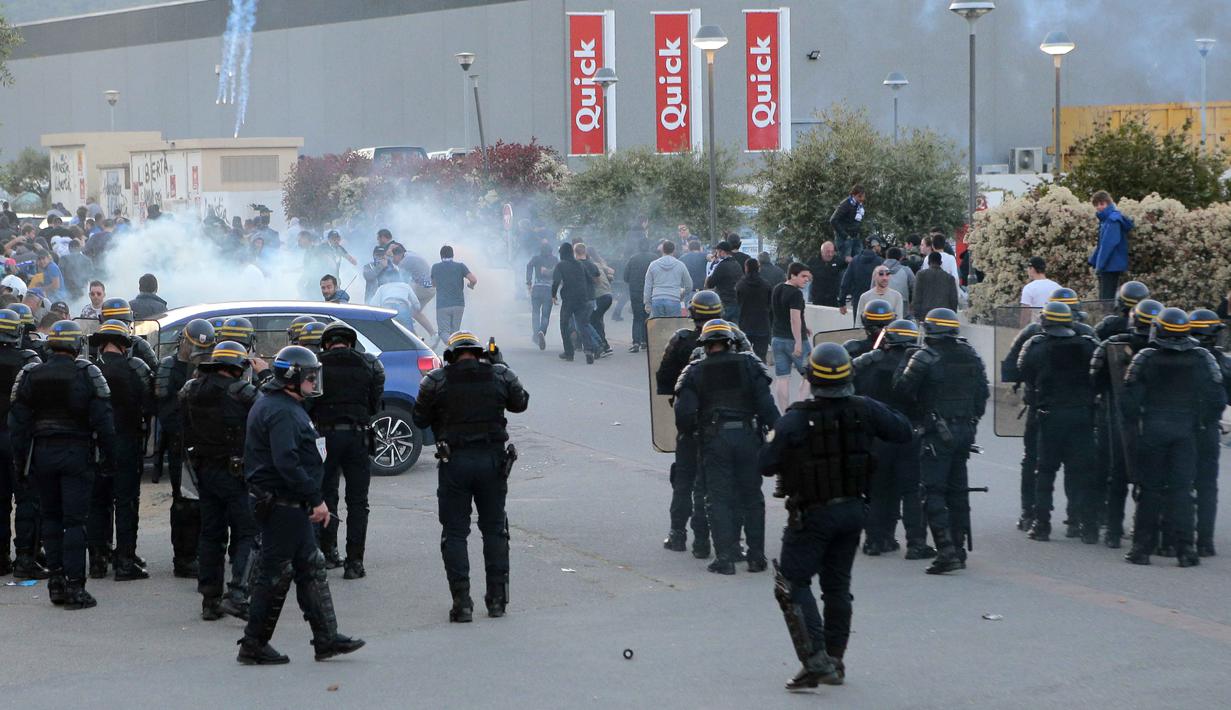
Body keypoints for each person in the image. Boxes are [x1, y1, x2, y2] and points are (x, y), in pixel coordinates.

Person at [762, 342, 912, 690]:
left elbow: (765, 463)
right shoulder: (865, 409)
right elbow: (902, 430)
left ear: (812, 377)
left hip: (811, 515)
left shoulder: (797, 418)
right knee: (837, 587)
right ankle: (836, 659)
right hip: (853, 511)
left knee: (792, 584)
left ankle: (816, 660)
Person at [239, 345, 364, 665]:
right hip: (283, 504)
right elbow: (287, 462)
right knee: (274, 575)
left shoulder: (281, 404)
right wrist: (316, 499)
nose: (314, 383)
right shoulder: (281, 410)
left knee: (310, 566)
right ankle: (253, 644)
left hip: (287, 502)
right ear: (292, 378)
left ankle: (326, 638)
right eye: (309, 378)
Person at [413, 332, 529, 622]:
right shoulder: (499, 375)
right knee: (494, 530)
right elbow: (520, 403)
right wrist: (500, 364)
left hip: (455, 462)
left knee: (454, 533)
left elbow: (419, 418)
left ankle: (462, 603)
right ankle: (497, 601)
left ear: (451, 355)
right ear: (480, 354)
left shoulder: (437, 380)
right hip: (492, 462)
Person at [9, 320, 116, 610]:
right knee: (74, 522)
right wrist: (109, 458)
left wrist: (20, 464)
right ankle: (75, 587)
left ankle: (56, 582)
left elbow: (18, 424)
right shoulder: (88, 373)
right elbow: (104, 421)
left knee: (52, 519)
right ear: (76, 345)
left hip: (42, 454)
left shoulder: (32, 374)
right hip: (76, 454)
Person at [674, 320, 780, 574]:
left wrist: (693, 434)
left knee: (718, 498)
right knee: (752, 497)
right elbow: (767, 407)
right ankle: (756, 557)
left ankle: (725, 558)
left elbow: (684, 414)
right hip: (747, 438)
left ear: (706, 346)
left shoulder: (695, 371)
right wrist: (776, 439)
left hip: (715, 440)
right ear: (731, 343)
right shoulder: (750, 365)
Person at [1122, 308, 1225, 567]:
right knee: (1182, 491)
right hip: (1186, 431)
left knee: (1150, 490)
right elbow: (1217, 399)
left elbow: (1129, 400)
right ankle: (1186, 550)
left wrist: (1139, 422)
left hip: (1154, 430)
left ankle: (1142, 549)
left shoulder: (1146, 357)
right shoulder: (1202, 357)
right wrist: (1200, 422)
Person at [893, 308, 989, 575]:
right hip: (964, 430)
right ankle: (958, 549)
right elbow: (982, 395)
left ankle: (946, 551)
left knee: (933, 490)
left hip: (937, 431)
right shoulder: (970, 355)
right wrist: (969, 421)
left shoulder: (924, 356)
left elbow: (901, 389)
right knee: (958, 490)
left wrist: (907, 360)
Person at [1000, 287, 1096, 533]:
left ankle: (1033, 516)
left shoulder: (1036, 336)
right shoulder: (1086, 336)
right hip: (1071, 410)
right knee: (1072, 465)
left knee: (1039, 463)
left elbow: (1014, 369)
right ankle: (1074, 518)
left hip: (1042, 408)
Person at [181, 340, 263, 621]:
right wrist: (264, 375)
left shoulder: (192, 390)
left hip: (204, 471)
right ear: (237, 367)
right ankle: (238, 595)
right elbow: (268, 413)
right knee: (248, 533)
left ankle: (210, 599)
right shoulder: (242, 392)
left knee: (211, 534)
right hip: (237, 473)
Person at [852, 319, 933, 559]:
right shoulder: (921, 364)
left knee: (878, 489)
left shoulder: (870, 363)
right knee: (911, 489)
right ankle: (916, 542)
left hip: (877, 435)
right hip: (910, 433)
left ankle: (875, 540)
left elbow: (855, 394)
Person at [310, 322, 384, 579]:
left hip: (325, 438)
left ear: (327, 344)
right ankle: (355, 563)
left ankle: (327, 554)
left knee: (325, 496)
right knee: (358, 502)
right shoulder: (370, 364)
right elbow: (375, 404)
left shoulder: (316, 365)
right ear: (351, 343)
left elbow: (308, 403)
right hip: (358, 437)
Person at [1089, 299, 1162, 547]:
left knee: (1118, 474)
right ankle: (1152, 532)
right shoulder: (1166, 348)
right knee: (1154, 478)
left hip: (1118, 416)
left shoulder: (1115, 343)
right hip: (1154, 420)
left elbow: (1094, 377)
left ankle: (1112, 531)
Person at [656, 291, 724, 557]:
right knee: (720, 481)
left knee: (684, 478)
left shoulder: (681, 341)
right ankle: (721, 537)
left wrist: (679, 396)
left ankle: (678, 534)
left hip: (690, 421)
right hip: (723, 422)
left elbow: (663, 378)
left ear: (693, 313)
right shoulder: (734, 340)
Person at [86, 320, 154, 581]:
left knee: (98, 503)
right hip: (126, 443)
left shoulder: (90, 370)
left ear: (101, 344)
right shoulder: (135, 369)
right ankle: (125, 563)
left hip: (97, 445)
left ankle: (97, 561)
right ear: (126, 345)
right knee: (126, 503)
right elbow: (149, 405)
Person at [156, 318, 217, 578]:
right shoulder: (170, 367)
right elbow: (164, 408)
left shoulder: (212, 368)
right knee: (185, 504)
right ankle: (183, 556)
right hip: (182, 445)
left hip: (207, 445)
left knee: (208, 503)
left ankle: (203, 553)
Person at [0, 309, 46, 579]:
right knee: (27, 500)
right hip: (19, 438)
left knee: (1, 501)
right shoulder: (27, 360)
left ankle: (1, 557)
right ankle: (25, 558)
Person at [1189, 310, 1230, 557]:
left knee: (1177, 484)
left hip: (1182, 427)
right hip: (1208, 431)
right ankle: (1205, 541)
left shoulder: (1176, 357)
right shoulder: (1221, 363)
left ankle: (1174, 536)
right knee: (1207, 486)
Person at [770, 263, 813, 410]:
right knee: (811, 375)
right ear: (792, 275)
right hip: (793, 340)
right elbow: (794, 318)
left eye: (807, 276)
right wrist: (799, 343)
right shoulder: (796, 294)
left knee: (782, 378)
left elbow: (779, 313)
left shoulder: (777, 288)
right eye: (803, 276)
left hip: (777, 339)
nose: (806, 280)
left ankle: (785, 413)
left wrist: (804, 326)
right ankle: (799, 409)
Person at [551, 243, 600, 364]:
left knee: (564, 324)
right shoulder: (580, 264)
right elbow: (590, 279)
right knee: (583, 324)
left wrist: (553, 295)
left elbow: (556, 281)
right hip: (583, 299)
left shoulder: (560, 265)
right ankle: (588, 351)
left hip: (568, 300)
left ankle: (569, 353)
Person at [1089, 190, 1133, 301]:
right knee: (1107, 298)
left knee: (1106, 299)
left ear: (1108, 203)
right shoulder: (1107, 219)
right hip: (1111, 265)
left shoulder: (1112, 220)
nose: (1099, 207)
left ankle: (1107, 317)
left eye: (1102, 204)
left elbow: (1108, 244)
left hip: (1110, 265)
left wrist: (1099, 265)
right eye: (1097, 205)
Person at [430, 245, 477, 340]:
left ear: (441, 256)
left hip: (443, 305)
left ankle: (455, 347)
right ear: (453, 255)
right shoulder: (460, 266)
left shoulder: (435, 267)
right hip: (458, 305)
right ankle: (456, 348)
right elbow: (473, 279)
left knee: (443, 332)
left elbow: (433, 284)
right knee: (455, 332)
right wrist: (470, 286)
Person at [736, 258, 773, 361]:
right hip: (762, 324)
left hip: (745, 324)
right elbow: (769, 304)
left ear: (746, 268)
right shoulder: (766, 284)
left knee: (744, 356)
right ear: (758, 268)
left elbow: (738, 302)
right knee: (761, 357)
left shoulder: (740, 285)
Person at [644, 240, 693, 318]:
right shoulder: (680, 265)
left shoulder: (653, 265)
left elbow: (648, 285)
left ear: (662, 250)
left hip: (657, 300)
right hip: (674, 299)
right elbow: (689, 285)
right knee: (673, 328)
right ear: (674, 250)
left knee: (659, 327)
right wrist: (682, 294)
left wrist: (647, 302)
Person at [623, 239, 656, 353]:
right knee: (647, 316)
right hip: (651, 292)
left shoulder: (633, 258)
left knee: (637, 317)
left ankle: (636, 342)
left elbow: (625, 277)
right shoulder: (654, 258)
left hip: (635, 292)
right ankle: (645, 341)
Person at [838, 238, 884, 315]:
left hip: (858, 301)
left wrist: (842, 302)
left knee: (858, 325)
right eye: (879, 245)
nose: (880, 248)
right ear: (875, 245)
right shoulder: (880, 262)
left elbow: (845, 282)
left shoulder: (855, 261)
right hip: (876, 302)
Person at [525, 242, 558, 350]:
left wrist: (529, 282)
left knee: (535, 313)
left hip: (537, 288)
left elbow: (529, 266)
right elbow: (557, 274)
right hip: (549, 290)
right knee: (545, 315)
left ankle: (536, 335)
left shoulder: (536, 258)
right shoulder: (555, 260)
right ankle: (542, 331)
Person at [586, 247, 616, 357]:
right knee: (597, 320)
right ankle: (604, 346)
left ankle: (603, 346)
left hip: (600, 297)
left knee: (592, 321)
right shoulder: (600, 264)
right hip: (608, 295)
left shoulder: (590, 265)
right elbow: (611, 275)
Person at [911, 252, 959, 320]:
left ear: (928, 262)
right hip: (944, 315)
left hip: (925, 315)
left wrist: (917, 315)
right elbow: (954, 299)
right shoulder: (949, 278)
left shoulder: (921, 275)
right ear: (941, 263)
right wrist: (952, 314)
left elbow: (916, 296)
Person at [704, 241, 744, 320]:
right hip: (737, 302)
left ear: (722, 252)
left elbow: (709, 284)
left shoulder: (721, 265)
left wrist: (712, 267)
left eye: (717, 252)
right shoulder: (736, 264)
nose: (716, 255)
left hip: (726, 303)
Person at [829, 185, 866, 264]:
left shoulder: (859, 206)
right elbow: (833, 220)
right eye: (859, 196)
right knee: (846, 264)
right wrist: (845, 235)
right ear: (853, 195)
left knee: (859, 262)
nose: (862, 199)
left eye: (863, 196)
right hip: (845, 239)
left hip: (855, 237)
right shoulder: (845, 204)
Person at [880, 247, 915, 315]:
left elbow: (873, 288)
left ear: (886, 257)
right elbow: (915, 288)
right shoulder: (906, 270)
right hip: (902, 306)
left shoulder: (878, 270)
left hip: (882, 306)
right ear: (900, 258)